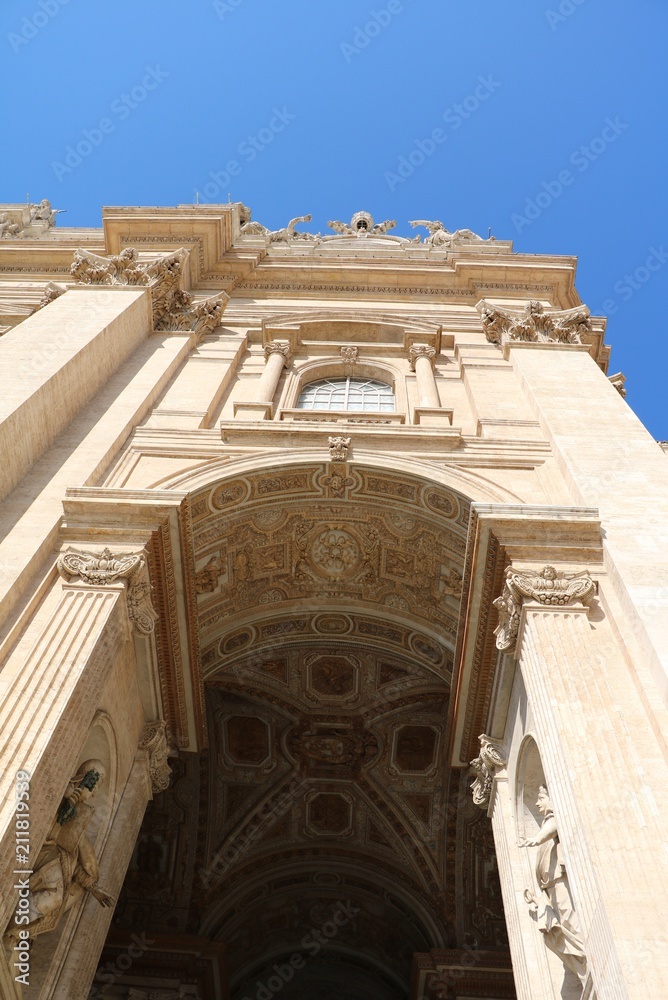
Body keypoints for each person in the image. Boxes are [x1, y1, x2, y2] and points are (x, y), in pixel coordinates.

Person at [3, 759, 114, 947]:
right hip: (40, 847)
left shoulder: (78, 817)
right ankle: (10, 924)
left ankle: (11, 928)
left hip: (55, 860)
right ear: (86, 778)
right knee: (53, 896)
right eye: (95, 785)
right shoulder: (62, 791)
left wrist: (94, 889)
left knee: (54, 898)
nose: (95, 792)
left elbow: (74, 864)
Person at [519, 785, 586, 979]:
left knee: (568, 918)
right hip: (551, 885)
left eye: (541, 798)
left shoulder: (553, 819)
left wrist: (535, 839)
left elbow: (552, 826)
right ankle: (582, 962)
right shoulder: (548, 822)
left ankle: (584, 957)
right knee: (561, 923)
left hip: (558, 881)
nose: (538, 803)